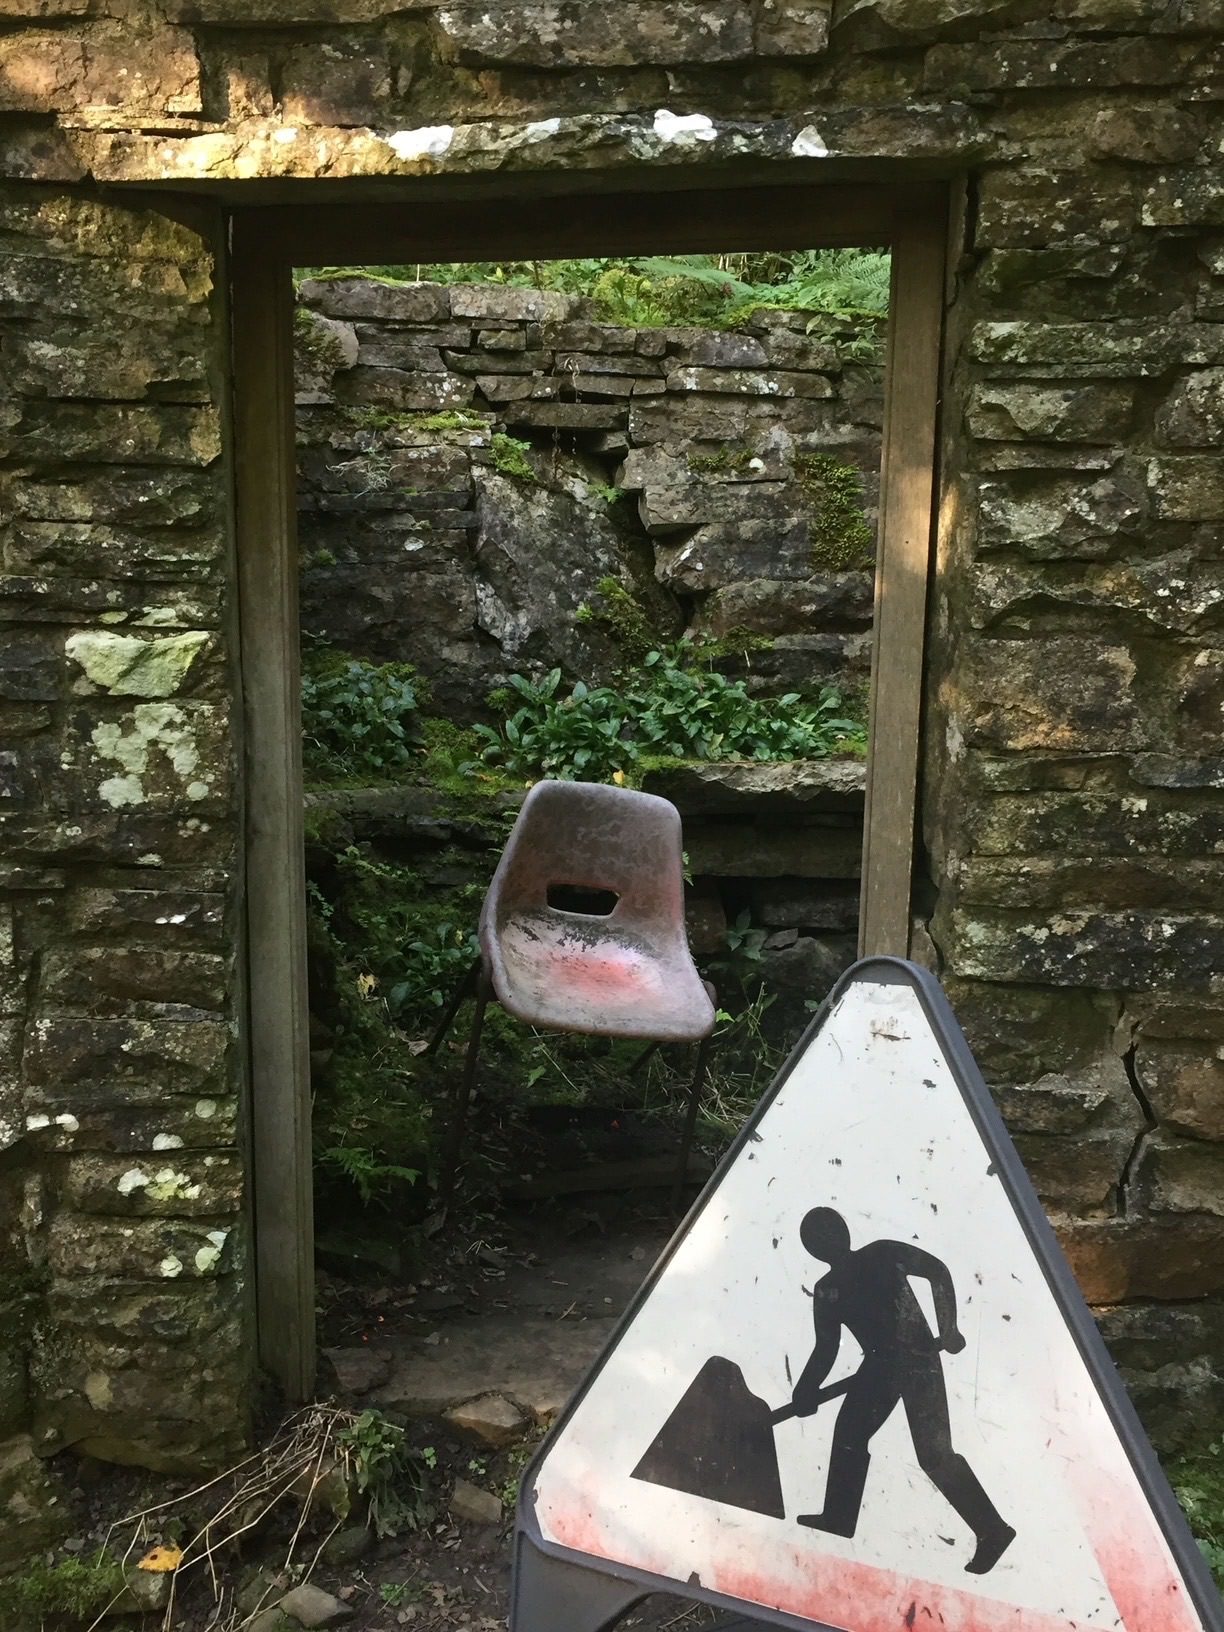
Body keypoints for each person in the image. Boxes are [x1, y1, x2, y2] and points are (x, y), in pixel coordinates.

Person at [791, 1206, 1015, 1575]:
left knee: (934, 1454)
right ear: (813, 1250)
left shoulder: (882, 1253)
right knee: (848, 1433)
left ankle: (994, 1530)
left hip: (918, 1358)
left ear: (844, 1232)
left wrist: (948, 1326)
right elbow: (826, 1347)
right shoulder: (827, 1290)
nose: (828, 1242)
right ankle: (838, 1517)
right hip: (878, 1367)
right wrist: (805, 1390)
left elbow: (937, 1271)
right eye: (819, 1239)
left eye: (830, 1233)